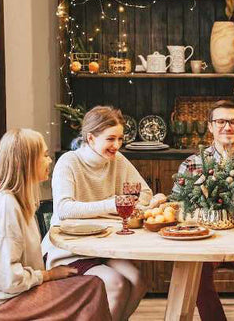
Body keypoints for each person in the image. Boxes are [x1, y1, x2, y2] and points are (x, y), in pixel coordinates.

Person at [0, 128, 111, 320]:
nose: (49, 160)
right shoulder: (5, 205)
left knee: (89, 286)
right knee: (92, 287)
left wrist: (47, 275)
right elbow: (5, 278)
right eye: (43, 155)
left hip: (8, 298)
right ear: (25, 163)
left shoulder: (16, 202)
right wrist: (48, 275)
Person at [42, 106, 153, 321]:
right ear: (91, 138)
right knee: (117, 283)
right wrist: (112, 205)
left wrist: (124, 204)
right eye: (110, 139)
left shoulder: (117, 160)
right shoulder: (69, 162)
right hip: (69, 251)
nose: (117, 145)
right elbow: (64, 210)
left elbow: (145, 193)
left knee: (139, 281)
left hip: (103, 247)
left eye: (120, 139)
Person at [177, 100, 234, 321]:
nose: (227, 127)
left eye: (233, 121)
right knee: (194, 270)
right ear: (210, 126)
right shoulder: (192, 164)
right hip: (206, 242)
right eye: (220, 121)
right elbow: (178, 208)